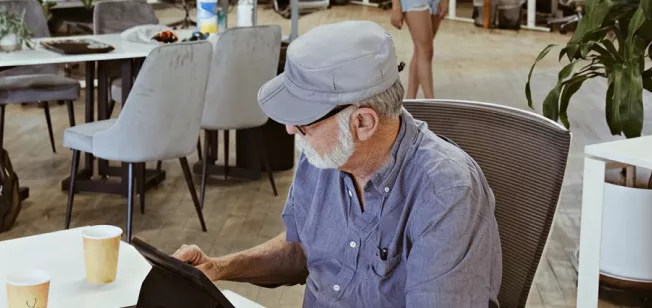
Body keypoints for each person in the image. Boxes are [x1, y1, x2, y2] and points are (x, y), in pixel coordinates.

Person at [174, 21, 502, 307]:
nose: (291, 129)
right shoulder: (327, 155)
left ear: (362, 122)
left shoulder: (446, 193)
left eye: (306, 121)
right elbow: (301, 251)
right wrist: (219, 268)